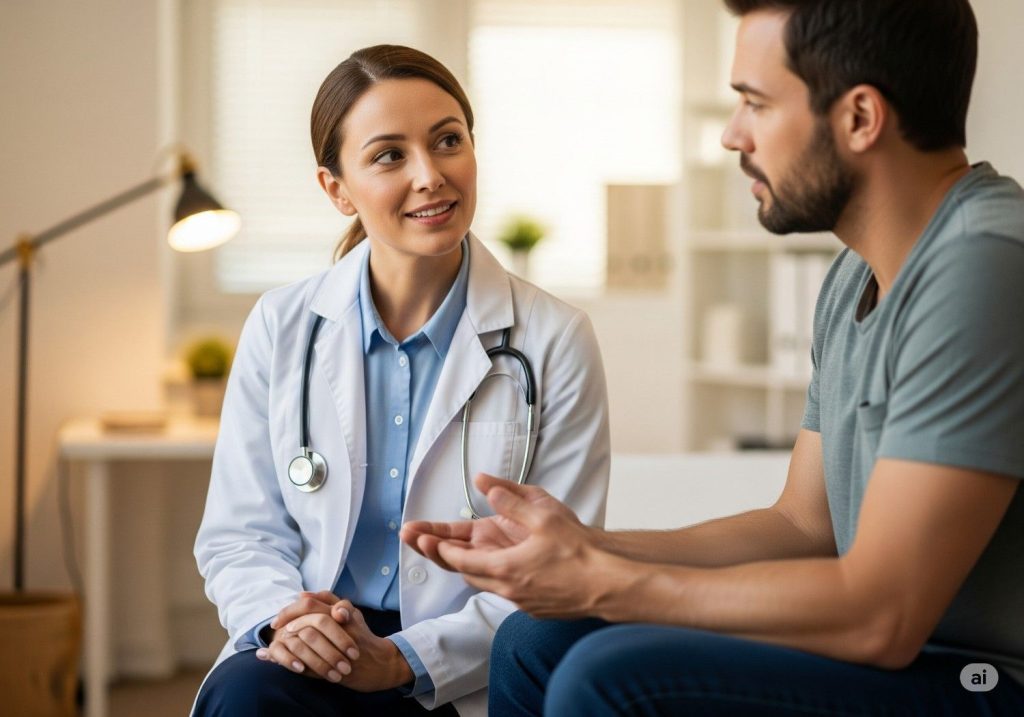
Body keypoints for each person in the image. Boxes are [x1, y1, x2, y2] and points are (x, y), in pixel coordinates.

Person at [402, 1, 1024, 714]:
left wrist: (602, 582)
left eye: (754, 103)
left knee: (607, 674)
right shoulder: (856, 274)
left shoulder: (983, 263)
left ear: (859, 118)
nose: (733, 136)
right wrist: (588, 548)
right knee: (535, 640)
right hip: (902, 658)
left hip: (982, 678)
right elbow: (803, 526)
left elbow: (882, 613)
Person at [192, 45, 610, 717]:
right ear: (336, 188)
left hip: (461, 665)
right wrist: (287, 618)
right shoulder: (282, 323)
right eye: (389, 155)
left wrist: (403, 659)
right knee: (248, 697)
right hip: (311, 647)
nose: (431, 175)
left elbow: (559, 570)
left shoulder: (554, 337)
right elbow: (240, 533)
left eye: (448, 141)